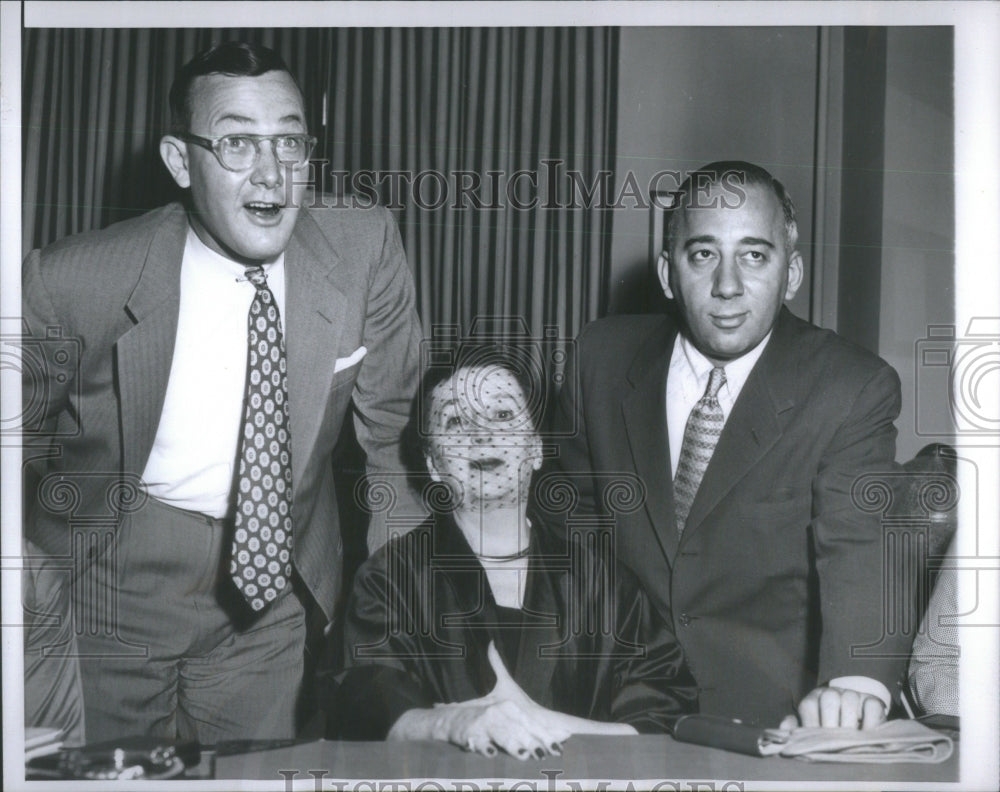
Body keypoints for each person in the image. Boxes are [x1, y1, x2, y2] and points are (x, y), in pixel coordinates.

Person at [21, 42, 422, 744]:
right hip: (114, 572)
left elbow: (392, 445)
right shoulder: (72, 280)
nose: (272, 174)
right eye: (237, 142)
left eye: (290, 141)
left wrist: (415, 616)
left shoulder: (365, 248)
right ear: (181, 161)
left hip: (275, 583)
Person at [551, 161, 909, 730]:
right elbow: (569, 541)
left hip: (771, 726)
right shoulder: (600, 357)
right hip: (610, 714)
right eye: (703, 254)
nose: (727, 286)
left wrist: (854, 685)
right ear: (668, 274)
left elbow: (860, 546)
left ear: (791, 274)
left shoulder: (851, 387)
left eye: (754, 255)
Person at [331, 350, 698, 757]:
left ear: (536, 449)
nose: (481, 435)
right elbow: (363, 706)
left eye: (502, 416)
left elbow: (670, 722)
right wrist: (454, 724)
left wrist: (544, 723)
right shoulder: (389, 580)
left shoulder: (606, 585)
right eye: (455, 421)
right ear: (434, 464)